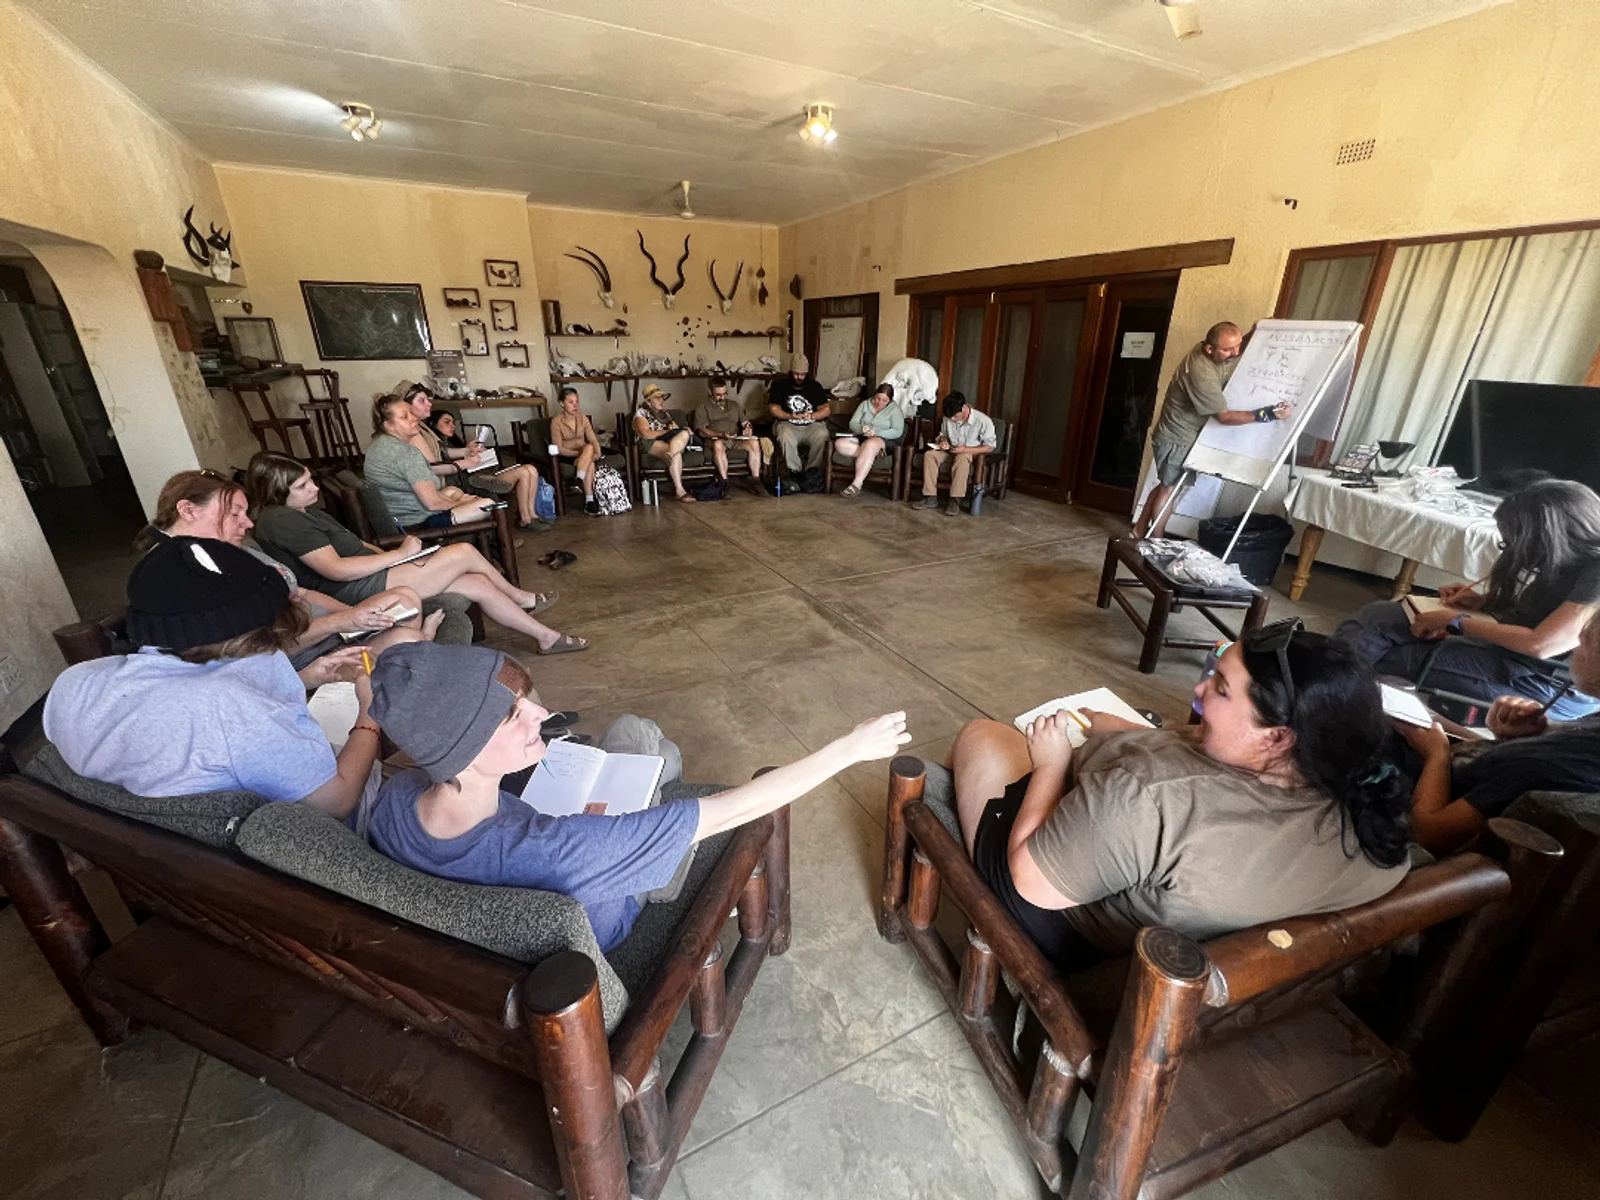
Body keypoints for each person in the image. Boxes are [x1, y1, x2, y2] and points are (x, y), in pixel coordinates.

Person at [366, 640, 910, 950]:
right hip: (605, 902)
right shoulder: (565, 851)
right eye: (512, 716)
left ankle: (659, 776)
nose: (541, 713)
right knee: (642, 738)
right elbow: (736, 808)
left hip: (559, 855)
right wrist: (849, 749)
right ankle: (664, 811)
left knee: (639, 742)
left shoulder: (397, 799)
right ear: (462, 749)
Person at [947, 620, 1409, 971]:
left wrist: (1051, 765)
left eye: (1220, 689)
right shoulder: (1368, 815)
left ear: (1275, 738)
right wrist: (1131, 733)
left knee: (983, 735)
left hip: (1060, 915)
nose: (1199, 688)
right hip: (1143, 890)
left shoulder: (1147, 799)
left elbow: (1030, 881)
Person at [42, 536, 384, 816]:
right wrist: (370, 711)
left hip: (160, 854)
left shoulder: (74, 683)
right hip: (303, 844)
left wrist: (303, 678)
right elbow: (337, 802)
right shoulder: (234, 711)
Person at [248, 452, 588, 656]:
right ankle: (522, 598)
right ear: (277, 492)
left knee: (476, 582)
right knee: (463, 551)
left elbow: (357, 545)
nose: (314, 488)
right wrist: (399, 556)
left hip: (373, 572)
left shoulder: (302, 511)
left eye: (311, 480)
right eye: (303, 486)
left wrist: (402, 556)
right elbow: (335, 569)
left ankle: (546, 638)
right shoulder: (281, 521)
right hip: (352, 589)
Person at [138, 469, 444, 679]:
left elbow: (300, 593)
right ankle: (417, 651)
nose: (248, 524)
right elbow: (255, 648)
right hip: (301, 657)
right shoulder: (185, 575)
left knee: (405, 600)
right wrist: (341, 622)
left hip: (322, 632)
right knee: (406, 637)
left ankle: (413, 654)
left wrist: (353, 618)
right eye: (234, 514)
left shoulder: (228, 551)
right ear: (188, 510)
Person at [1336, 479, 1600, 720]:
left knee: (1394, 659)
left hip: (1538, 681)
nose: (1510, 552)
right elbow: (1544, 614)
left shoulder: (1596, 573)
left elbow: (1542, 644)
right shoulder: (1569, 559)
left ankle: (1331, 695)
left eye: (1512, 544)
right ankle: (1327, 687)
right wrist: (1483, 603)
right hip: (1515, 657)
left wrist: (1456, 621)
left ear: (1548, 539)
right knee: (1379, 615)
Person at [1400, 612, 1600, 852]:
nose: (1575, 645)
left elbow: (1428, 832)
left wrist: (1436, 754)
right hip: (1456, 767)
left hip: (1410, 802)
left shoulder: (1550, 764)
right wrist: (1516, 738)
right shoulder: (1585, 737)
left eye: (1585, 641)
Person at [1134, 322, 1290, 539]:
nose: (1235, 353)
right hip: (1177, 437)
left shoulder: (1211, 350)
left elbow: (1232, 347)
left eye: (1238, 346)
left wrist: (1255, 332)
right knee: (1170, 490)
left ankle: (1139, 529)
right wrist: (1267, 414)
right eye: (1228, 350)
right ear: (1209, 349)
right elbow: (1224, 417)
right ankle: (1156, 540)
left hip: (1183, 434)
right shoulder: (1201, 372)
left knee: (1167, 485)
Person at [405, 384, 547, 532]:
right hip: (457, 476)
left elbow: (443, 453)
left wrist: (468, 451)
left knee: (531, 469)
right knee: (524, 471)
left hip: (468, 469)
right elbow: (433, 464)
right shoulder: (415, 433)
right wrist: (464, 462)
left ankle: (531, 515)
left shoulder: (425, 430)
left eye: (427, 400)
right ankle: (524, 518)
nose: (429, 404)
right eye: (422, 401)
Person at [365, 393, 498, 531]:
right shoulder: (406, 453)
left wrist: (460, 501)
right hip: (415, 523)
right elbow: (433, 503)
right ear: (388, 425)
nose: (413, 418)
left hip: (399, 514)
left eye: (411, 413)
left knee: (452, 491)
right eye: (404, 417)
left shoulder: (379, 445)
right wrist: (462, 504)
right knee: (488, 504)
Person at [918, 392, 995, 516]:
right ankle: (930, 497)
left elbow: (990, 447)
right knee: (930, 455)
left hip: (971, 454)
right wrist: (943, 441)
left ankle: (955, 500)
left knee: (962, 458)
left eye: (954, 416)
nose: (952, 419)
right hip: (951, 450)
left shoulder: (983, 421)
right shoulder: (948, 417)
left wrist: (965, 450)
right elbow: (943, 435)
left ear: (964, 407)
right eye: (950, 417)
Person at [767, 354, 830, 490]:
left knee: (822, 434)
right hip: (787, 423)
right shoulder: (779, 385)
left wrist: (813, 415)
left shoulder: (815, 386)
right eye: (796, 374)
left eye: (802, 374)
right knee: (785, 435)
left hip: (811, 424)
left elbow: (826, 410)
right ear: (790, 372)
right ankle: (794, 472)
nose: (799, 377)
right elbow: (773, 408)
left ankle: (812, 472)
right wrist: (789, 415)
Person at [695, 377, 766, 494]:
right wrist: (721, 434)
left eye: (725, 394)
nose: (722, 397)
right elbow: (701, 431)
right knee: (718, 444)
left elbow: (745, 422)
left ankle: (756, 480)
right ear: (710, 392)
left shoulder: (734, 405)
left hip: (734, 439)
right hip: (715, 439)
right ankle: (724, 482)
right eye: (718, 395)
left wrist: (748, 428)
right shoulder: (702, 406)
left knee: (754, 443)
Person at [835, 383, 905, 498]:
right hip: (862, 437)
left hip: (883, 440)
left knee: (870, 444)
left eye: (884, 401)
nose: (879, 402)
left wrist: (876, 432)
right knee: (840, 443)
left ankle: (856, 484)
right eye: (877, 398)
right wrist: (861, 428)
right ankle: (871, 454)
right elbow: (853, 423)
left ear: (890, 400)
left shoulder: (895, 410)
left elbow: (897, 431)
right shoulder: (865, 404)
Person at [632, 383, 696, 503]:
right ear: (649, 401)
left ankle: (672, 452)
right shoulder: (641, 413)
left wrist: (683, 431)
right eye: (657, 398)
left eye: (662, 397)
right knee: (676, 453)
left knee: (684, 434)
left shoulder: (664, 414)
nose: (661, 400)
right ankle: (680, 490)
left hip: (668, 441)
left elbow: (674, 430)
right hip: (649, 442)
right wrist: (667, 431)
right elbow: (645, 434)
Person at [551, 386, 604, 514]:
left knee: (590, 450)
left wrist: (598, 452)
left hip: (584, 455)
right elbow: (558, 448)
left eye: (576, 402)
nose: (575, 405)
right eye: (570, 402)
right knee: (589, 456)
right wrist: (581, 454)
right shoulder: (556, 422)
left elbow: (593, 439)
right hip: (567, 456)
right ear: (562, 403)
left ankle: (580, 480)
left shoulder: (583, 418)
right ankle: (589, 500)